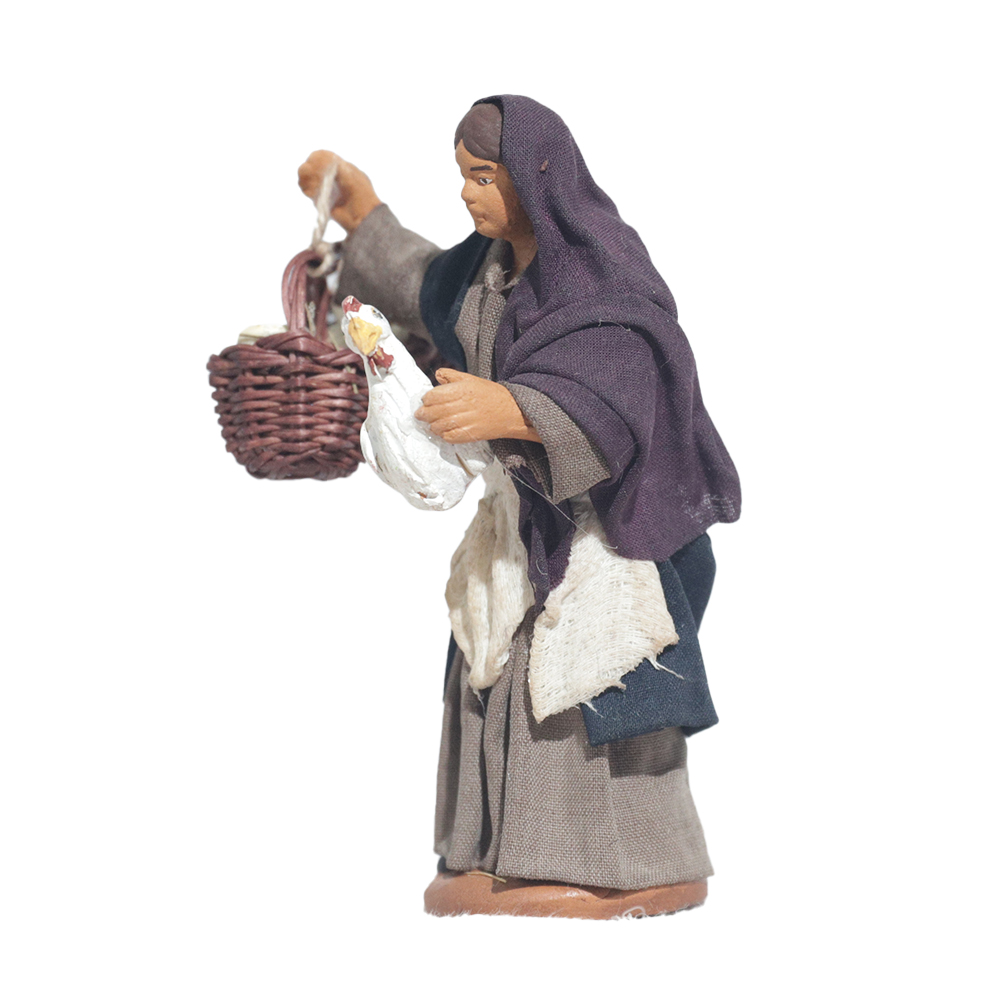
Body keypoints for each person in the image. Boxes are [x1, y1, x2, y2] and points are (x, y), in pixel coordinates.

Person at [299, 96, 741, 918]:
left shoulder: (604, 273)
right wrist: (363, 216)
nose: (467, 193)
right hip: (516, 525)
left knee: (584, 684)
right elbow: (423, 283)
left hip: (599, 535)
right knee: (489, 666)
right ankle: (494, 855)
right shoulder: (487, 269)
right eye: (463, 176)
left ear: (536, 176)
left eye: (483, 176)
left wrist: (516, 409)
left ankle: (618, 863)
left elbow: (630, 374)